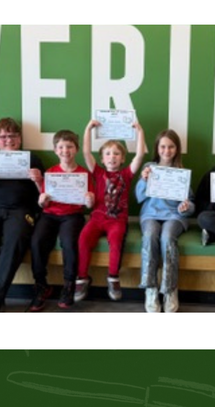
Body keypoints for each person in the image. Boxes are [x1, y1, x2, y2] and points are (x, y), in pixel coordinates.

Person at [0, 118, 45, 312]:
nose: (8, 140)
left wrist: (38, 180)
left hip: (21, 210)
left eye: (12, 136)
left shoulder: (32, 159)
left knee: (16, 238)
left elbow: (45, 194)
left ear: (19, 139)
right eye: (3, 136)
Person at [75, 119, 146, 303]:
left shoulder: (126, 175)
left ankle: (113, 278)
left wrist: (139, 132)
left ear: (122, 158)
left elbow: (139, 156)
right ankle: (82, 278)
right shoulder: (98, 172)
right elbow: (85, 152)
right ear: (102, 158)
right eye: (108, 153)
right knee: (83, 238)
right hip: (97, 218)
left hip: (117, 219)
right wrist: (88, 128)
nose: (112, 156)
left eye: (116, 154)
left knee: (116, 240)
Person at [29, 129, 93, 311]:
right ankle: (41, 285)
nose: (66, 151)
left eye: (70, 147)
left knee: (69, 242)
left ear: (77, 149)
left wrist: (90, 200)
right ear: (56, 150)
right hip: (50, 215)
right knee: (37, 241)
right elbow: (43, 201)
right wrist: (42, 200)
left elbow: (89, 203)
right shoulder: (50, 173)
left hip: (72, 216)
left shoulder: (83, 174)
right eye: (61, 147)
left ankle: (68, 285)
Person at [135, 129, 194, 313]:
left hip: (174, 216)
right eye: (163, 146)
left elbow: (191, 203)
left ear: (177, 149)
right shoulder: (149, 168)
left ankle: (170, 289)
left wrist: (187, 207)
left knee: (167, 238)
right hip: (151, 214)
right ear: (157, 148)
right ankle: (150, 288)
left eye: (171, 147)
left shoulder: (181, 172)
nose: (166, 151)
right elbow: (138, 197)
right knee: (150, 235)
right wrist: (144, 180)